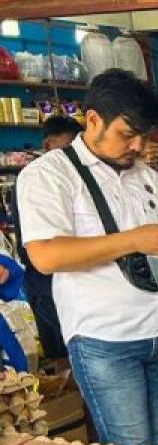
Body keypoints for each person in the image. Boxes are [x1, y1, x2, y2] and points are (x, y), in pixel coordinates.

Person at [17, 68, 158, 445]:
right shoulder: (49, 176)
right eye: (126, 134)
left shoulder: (146, 176)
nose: (135, 146)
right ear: (93, 119)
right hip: (105, 340)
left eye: (142, 137)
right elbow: (45, 256)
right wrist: (134, 240)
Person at [12, 115, 84, 364]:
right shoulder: (34, 180)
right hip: (46, 285)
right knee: (67, 354)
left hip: (70, 282)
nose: (74, 153)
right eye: (69, 146)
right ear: (48, 146)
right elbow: (36, 249)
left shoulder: (74, 177)